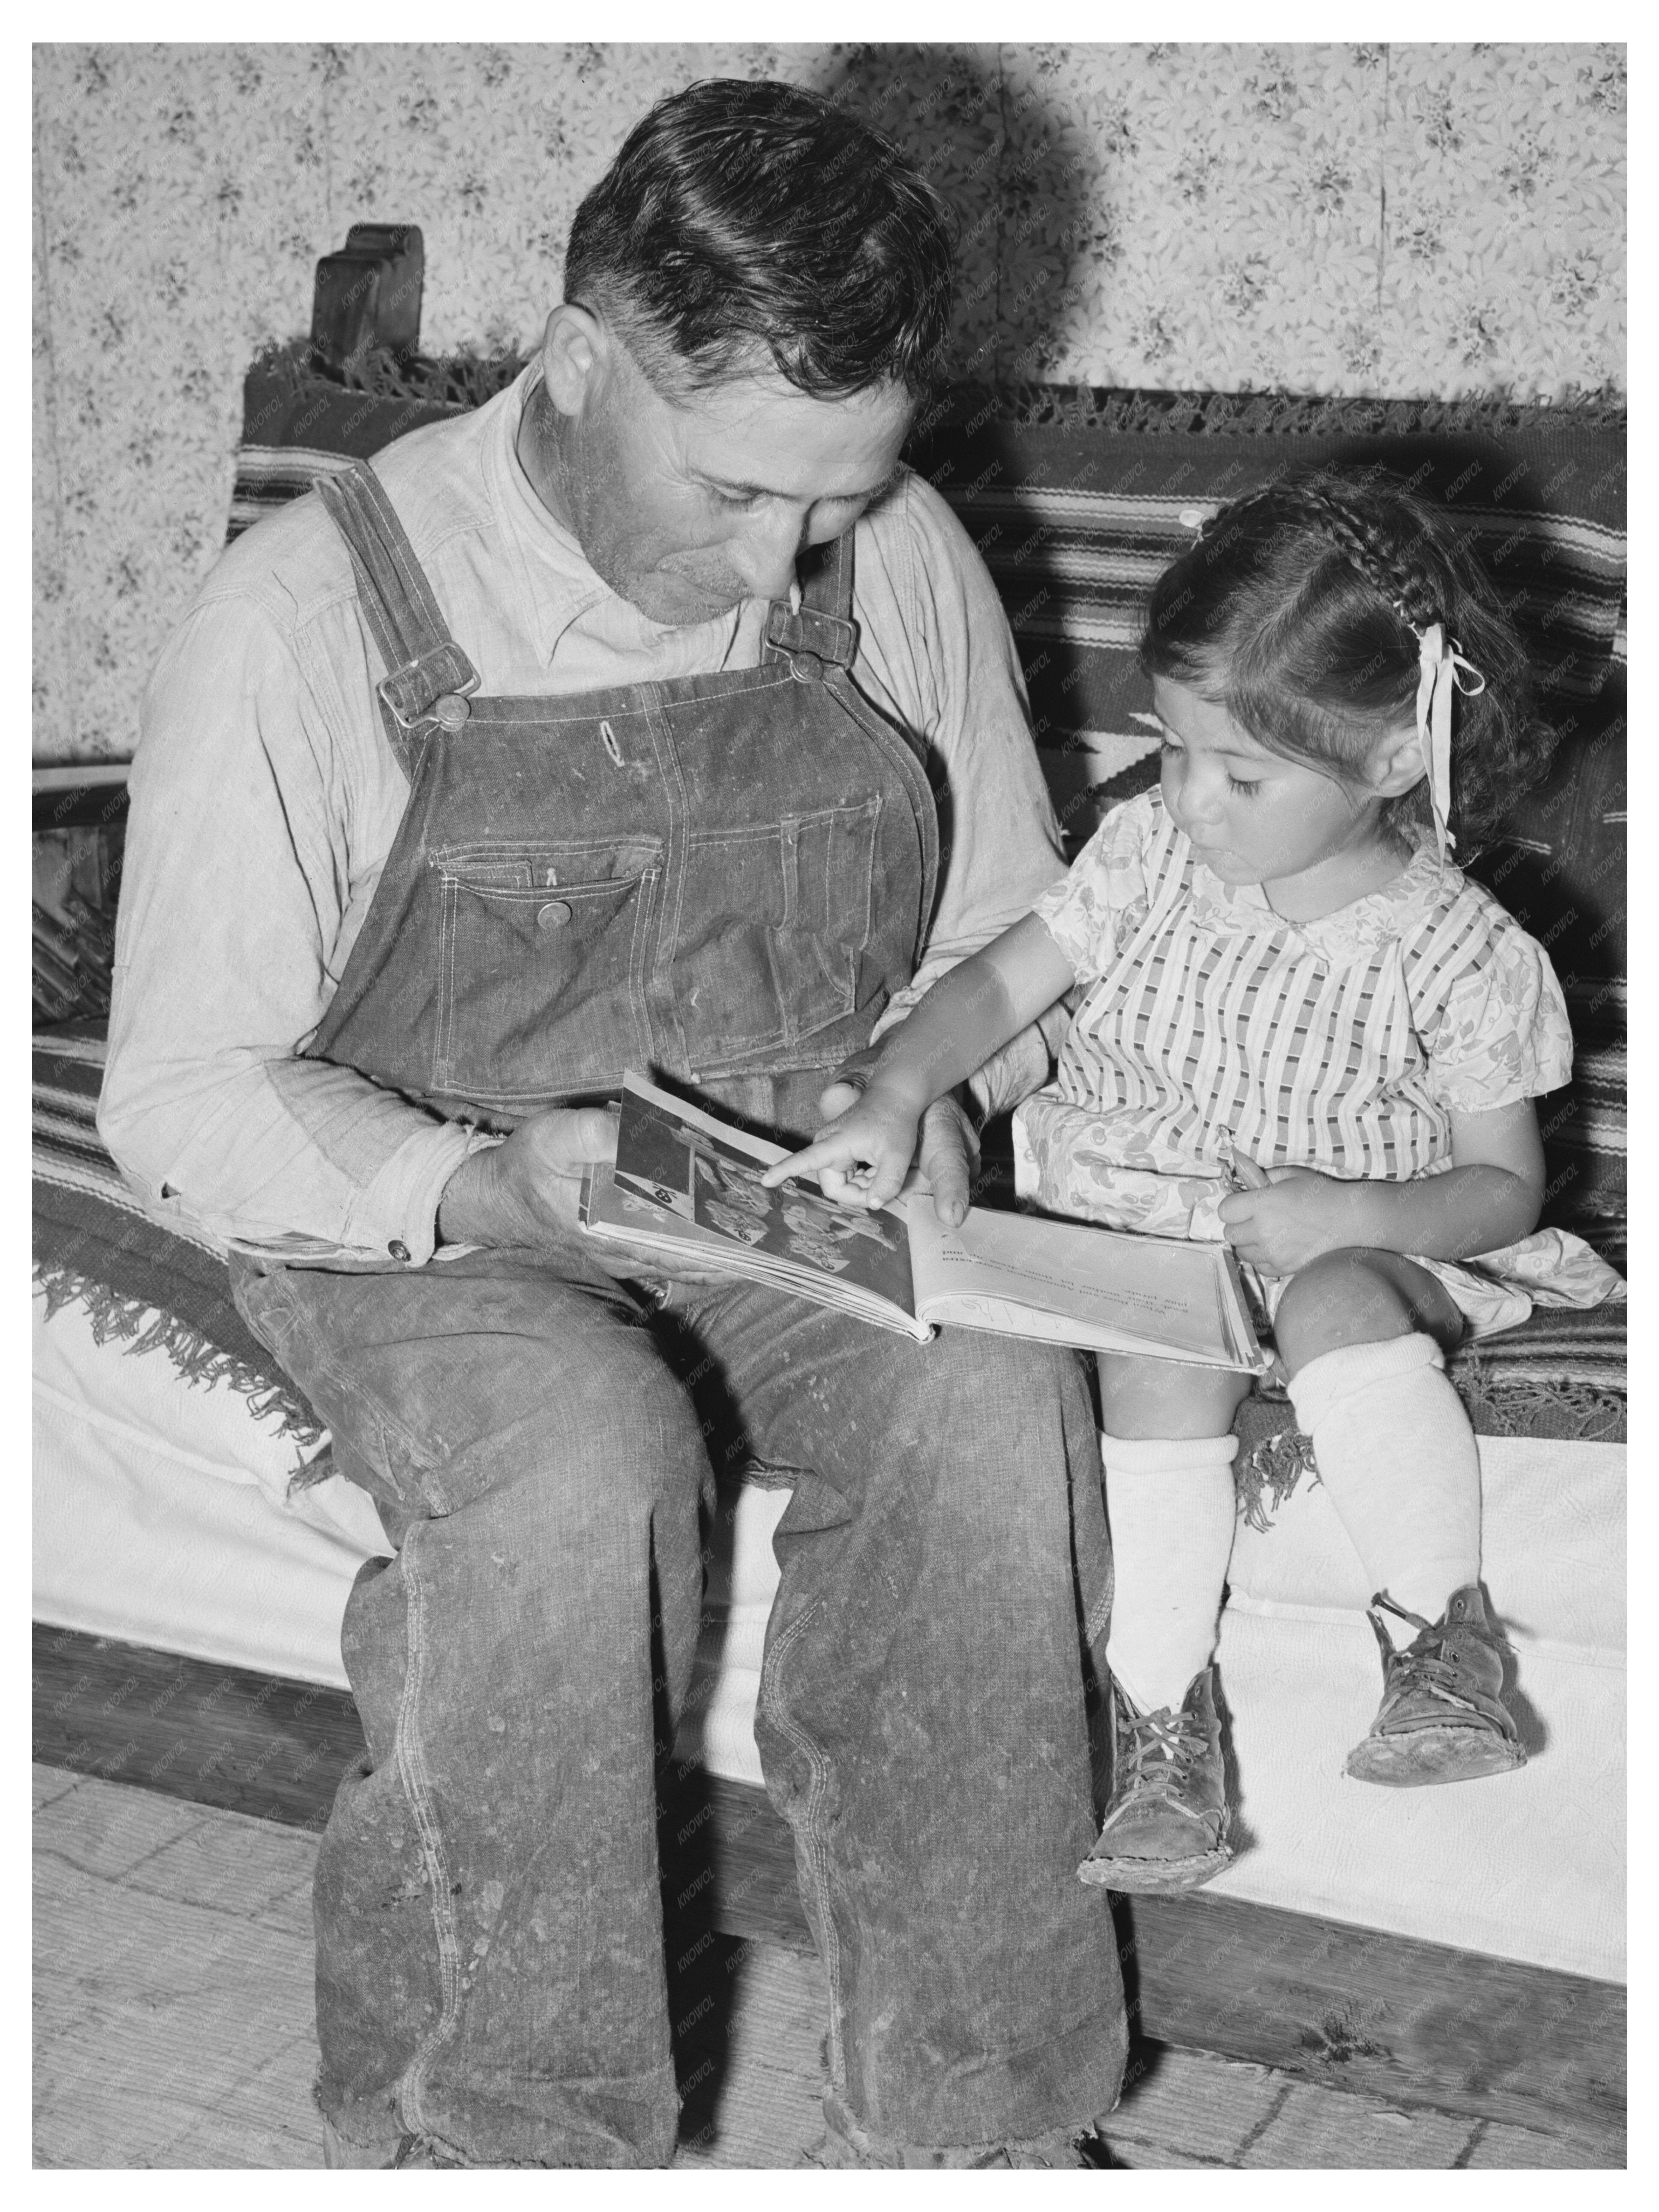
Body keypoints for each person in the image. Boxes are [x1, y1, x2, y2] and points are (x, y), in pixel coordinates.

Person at [100, 80, 1126, 2167]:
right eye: (739, 490)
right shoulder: (303, 618)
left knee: (996, 1395)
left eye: (831, 506)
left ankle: (984, 2122)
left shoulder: (890, 546)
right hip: (414, 1191)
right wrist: (479, 1179)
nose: (785, 559)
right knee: (577, 1467)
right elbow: (191, 1092)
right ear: (579, 358)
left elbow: (1013, 927)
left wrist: (937, 1095)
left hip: (780, 1174)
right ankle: (501, 2136)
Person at [765, 471, 1624, 1899]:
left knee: (1340, 1297)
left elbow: (1500, 1193)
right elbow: (996, 983)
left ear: (1394, 761)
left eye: (1240, 776)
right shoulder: (1146, 859)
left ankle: (1436, 1645)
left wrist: (1354, 1218)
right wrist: (903, 1088)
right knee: (1160, 1360)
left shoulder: (1463, 955)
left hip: (1366, 1250)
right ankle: (1161, 1728)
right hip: (1161, 1249)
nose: (1189, 801)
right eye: (1169, 749)